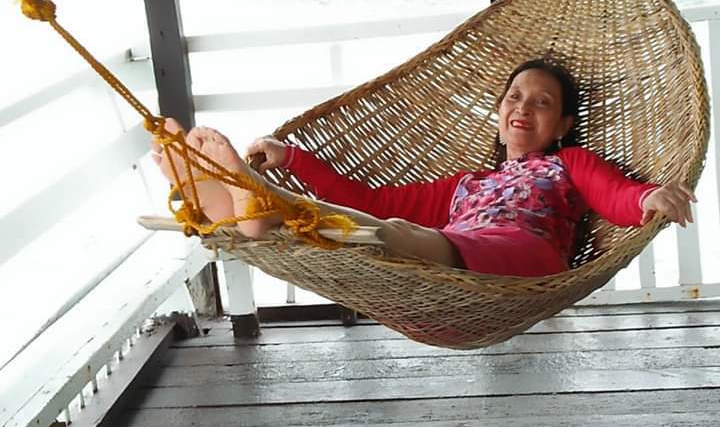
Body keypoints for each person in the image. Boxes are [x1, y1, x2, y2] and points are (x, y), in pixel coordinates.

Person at [152, 59, 695, 277]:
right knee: (372, 224)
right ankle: (237, 206)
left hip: (526, 257)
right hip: (455, 255)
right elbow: (369, 201)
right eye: (513, 97)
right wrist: (294, 158)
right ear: (499, 113)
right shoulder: (468, 186)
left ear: (562, 126)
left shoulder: (566, 164)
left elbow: (613, 192)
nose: (523, 108)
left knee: (393, 234)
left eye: (542, 103)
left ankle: (256, 202)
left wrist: (647, 198)